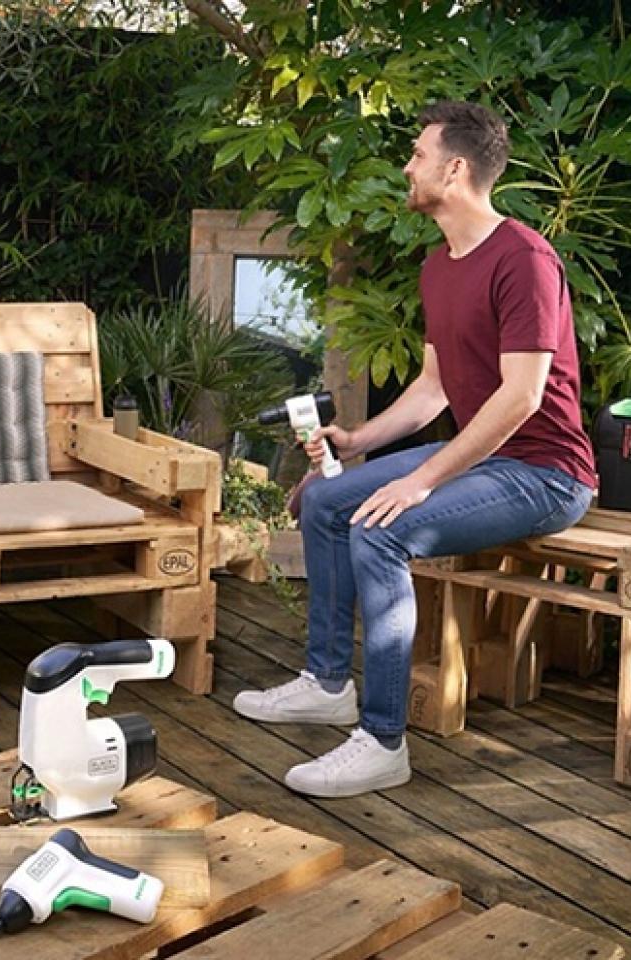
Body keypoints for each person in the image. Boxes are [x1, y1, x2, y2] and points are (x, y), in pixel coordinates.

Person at [233, 101, 597, 797]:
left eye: (419, 155)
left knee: (384, 526)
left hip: (545, 473)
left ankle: (381, 739)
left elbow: (521, 398)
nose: (408, 166)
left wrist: (422, 480)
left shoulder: (524, 259)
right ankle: (327, 682)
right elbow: (434, 387)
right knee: (326, 497)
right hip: (481, 456)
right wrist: (359, 441)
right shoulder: (441, 265)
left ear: (455, 169)